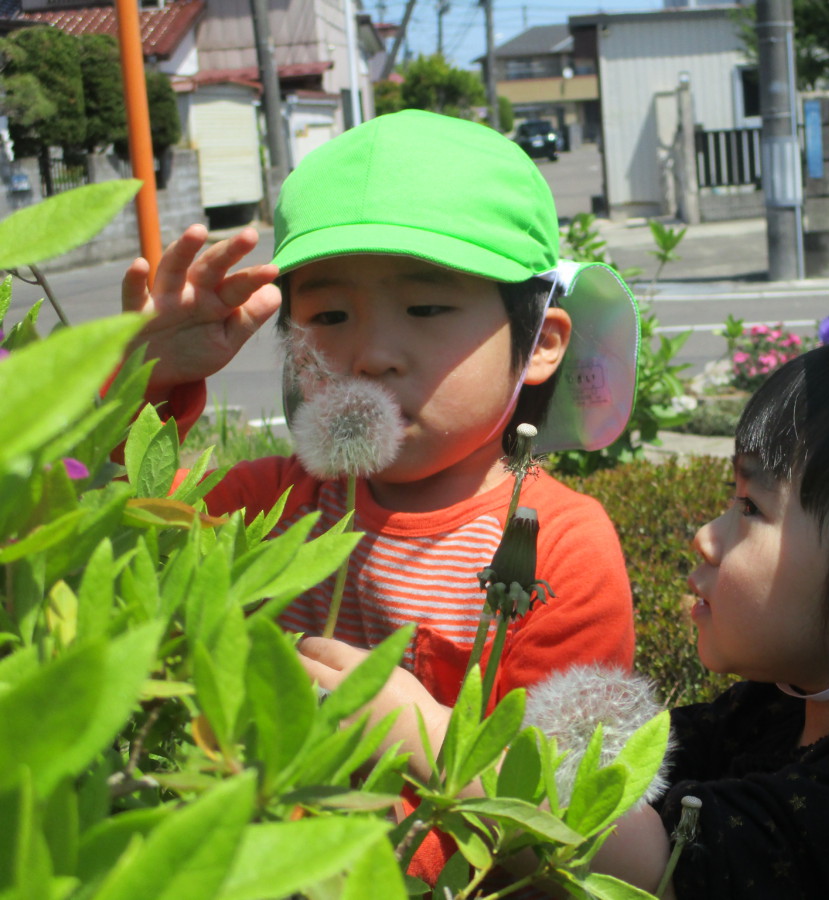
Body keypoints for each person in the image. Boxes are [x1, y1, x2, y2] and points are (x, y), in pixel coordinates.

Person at [300, 281, 829, 899]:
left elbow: (643, 862)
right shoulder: (783, 709)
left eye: (751, 507)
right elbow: (609, 776)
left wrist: (438, 743)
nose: (706, 535)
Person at [121, 110, 641, 879]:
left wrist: (436, 747)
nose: (370, 353)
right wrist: (146, 384)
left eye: (427, 308)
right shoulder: (268, 501)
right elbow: (116, 538)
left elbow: (574, 816)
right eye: (328, 316)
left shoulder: (556, 545)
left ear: (541, 343)